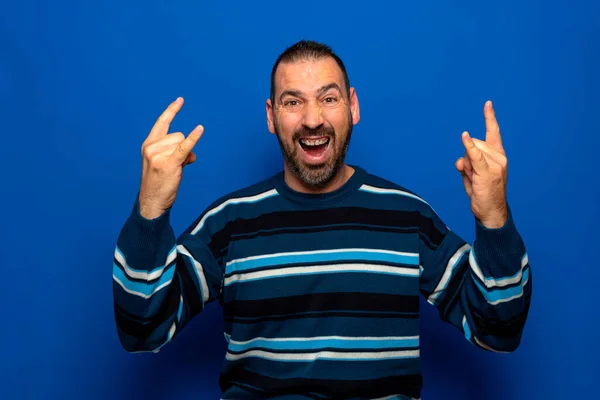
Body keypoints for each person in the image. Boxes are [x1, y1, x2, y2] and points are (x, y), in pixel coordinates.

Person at [112, 40, 532, 399]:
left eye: (328, 98)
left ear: (352, 107)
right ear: (271, 116)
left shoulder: (407, 216)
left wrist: (494, 215)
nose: (312, 119)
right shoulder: (230, 221)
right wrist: (151, 207)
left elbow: (497, 327)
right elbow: (142, 328)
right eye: (293, 102)